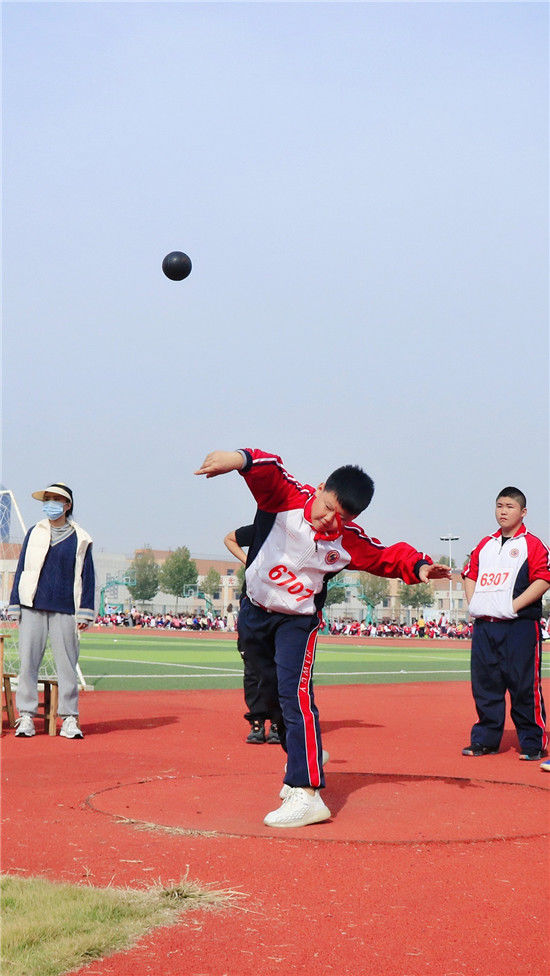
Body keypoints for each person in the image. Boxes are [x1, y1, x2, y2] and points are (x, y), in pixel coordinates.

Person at [196, 448, 450, 828]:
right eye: (328, 507)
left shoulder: (345, 539)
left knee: (294, 696)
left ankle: (307, 791)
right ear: (319, 490)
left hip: (296, 623)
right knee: (266, 691)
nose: (329, 520)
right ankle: (306, 753)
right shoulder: (285, 498)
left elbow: (386, 555)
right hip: (254, 611)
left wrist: (421, 567)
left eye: (342, 517)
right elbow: (270, 468)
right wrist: (238, 459)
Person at [461, 487, 550, 761]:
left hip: (519, 626)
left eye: (510, 506)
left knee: (524, 685)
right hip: (486, 627)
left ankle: (533, 742)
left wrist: (513, 606)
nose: (503, 511)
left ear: (522, 512)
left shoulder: (532, 544)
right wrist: (473, 603)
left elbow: (543, 580)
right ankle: (486, 740)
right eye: (499, 505)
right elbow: (468, 574)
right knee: (485, 685)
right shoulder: (484, 544)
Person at [8, 482, 95, 739]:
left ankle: (69, 718)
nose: (51, 504)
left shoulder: (81, 538)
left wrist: (86, 611)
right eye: (47, 499)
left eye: (56, 499)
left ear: (67, 505)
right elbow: (23, 567)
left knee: (67, 665)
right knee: (28, 664)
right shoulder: (34, 532)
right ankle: (26, 716)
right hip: (32, 606)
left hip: (66, 609)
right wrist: (15, 603)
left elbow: (87, 576)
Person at [224, 524, 280, 745]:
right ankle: (257, 722)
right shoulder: (262, 528)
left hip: (283, 607)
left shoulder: (299, 533)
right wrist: (250, 562)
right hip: (253, 603)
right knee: (252, 667)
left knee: (280, 668)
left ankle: (277, 722)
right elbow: (229, 539)